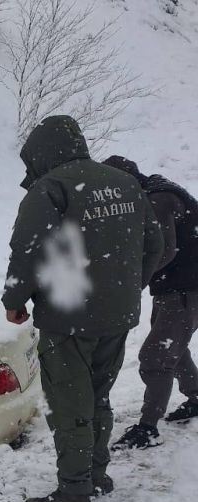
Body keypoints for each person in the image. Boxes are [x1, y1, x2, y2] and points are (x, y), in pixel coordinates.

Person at [1, 116, 164, 502]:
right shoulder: (124, 182)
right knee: (98, 396)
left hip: (69, 318)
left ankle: (74, 493)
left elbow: (28, 250)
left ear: (41, 152)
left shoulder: (51, 188)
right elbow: (156, 243)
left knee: (70, 402)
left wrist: (15, 298)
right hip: (118, 315)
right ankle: (96, 474)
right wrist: (128, 285)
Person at [102, 156, 198, 450]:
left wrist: (129, 282)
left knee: (155, 358)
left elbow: (164, 251)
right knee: (172, 351)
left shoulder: (157, 199)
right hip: (178, 289)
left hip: (185, 292)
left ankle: (147, 430)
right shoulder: (157, 191)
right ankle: (196, 398)